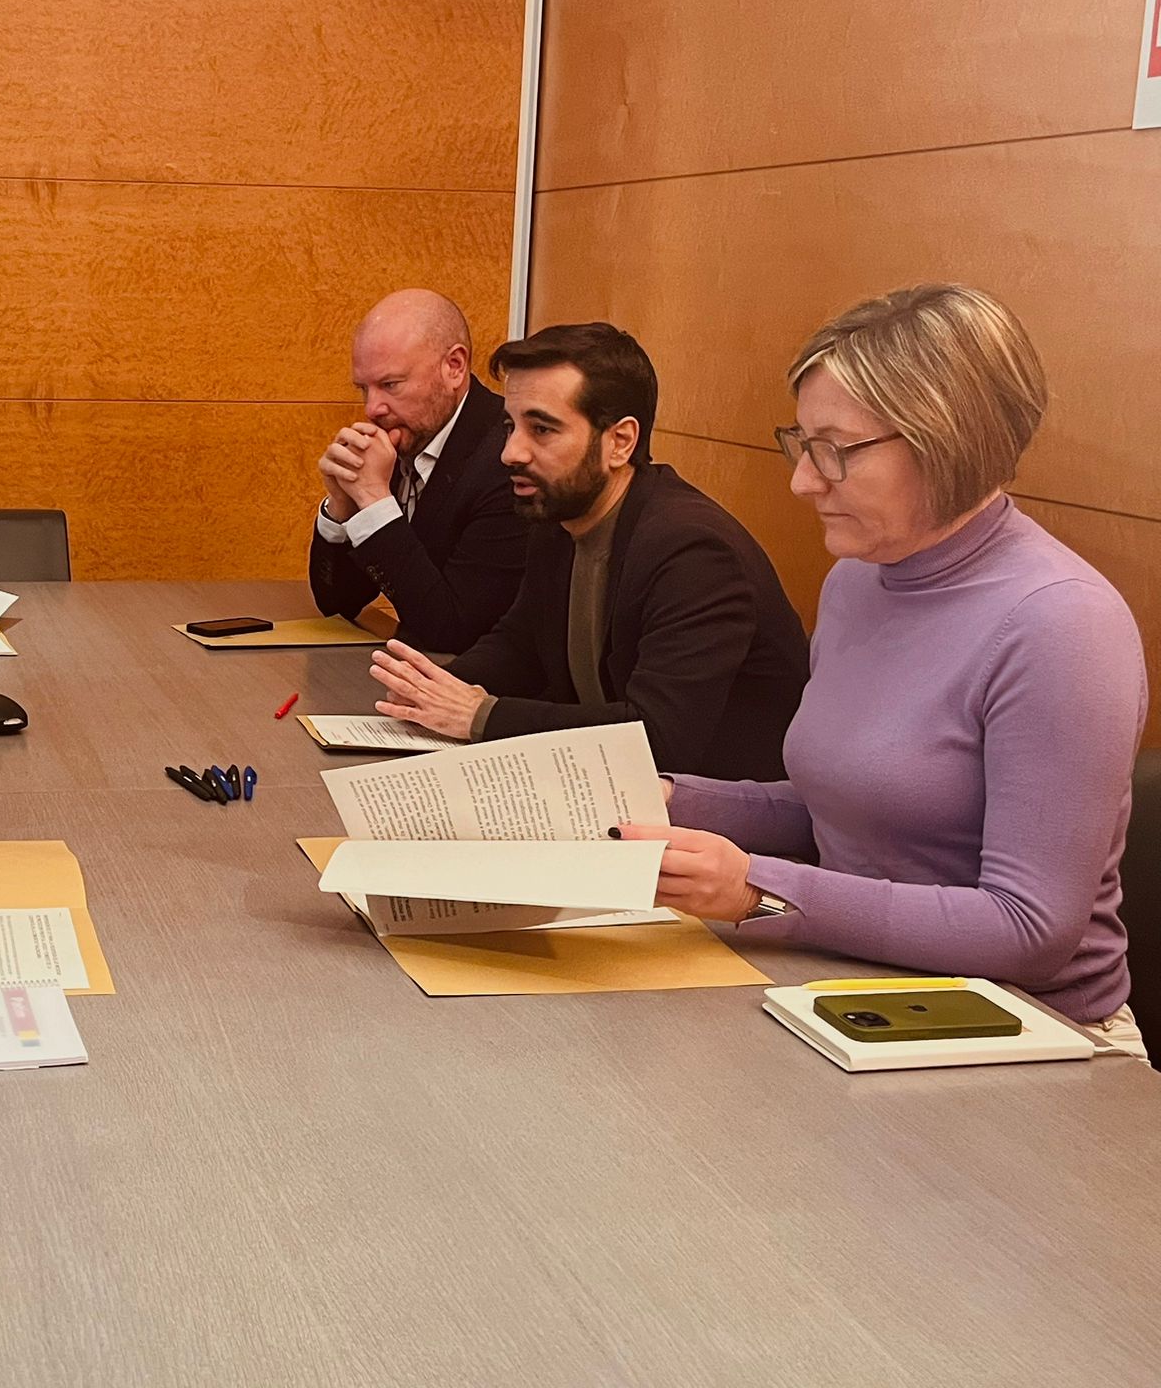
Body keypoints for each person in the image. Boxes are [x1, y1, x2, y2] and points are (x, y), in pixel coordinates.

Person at [617, 285, 1146, 1055]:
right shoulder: (859, 579)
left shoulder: (1060, 623)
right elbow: (845, 805)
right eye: (800, 443)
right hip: (857, 988)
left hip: (1034, 1031)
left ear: (947, 440)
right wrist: (670, 799)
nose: (803, 480)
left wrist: (760, 891)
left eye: (835, 449)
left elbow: (1030, 930)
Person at [369, 322, 809, 780]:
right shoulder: (559, 517)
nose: (510, 452)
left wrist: (479, 715)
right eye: (509, 426)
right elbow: (521, 644)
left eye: (541, 429)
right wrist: (435, 690)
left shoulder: (694, 552)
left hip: (720, 823)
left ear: (620, 442)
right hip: (614, 793)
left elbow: (657, 739)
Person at [309, 289, 528, 652]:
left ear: (454, 367)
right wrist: (341, 506)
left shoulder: (506, 459)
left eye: (390, 385)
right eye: (364, 389)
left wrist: (375, 501)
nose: (373, 409)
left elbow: (453, 631)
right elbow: (338, 603)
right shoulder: (409, 435)